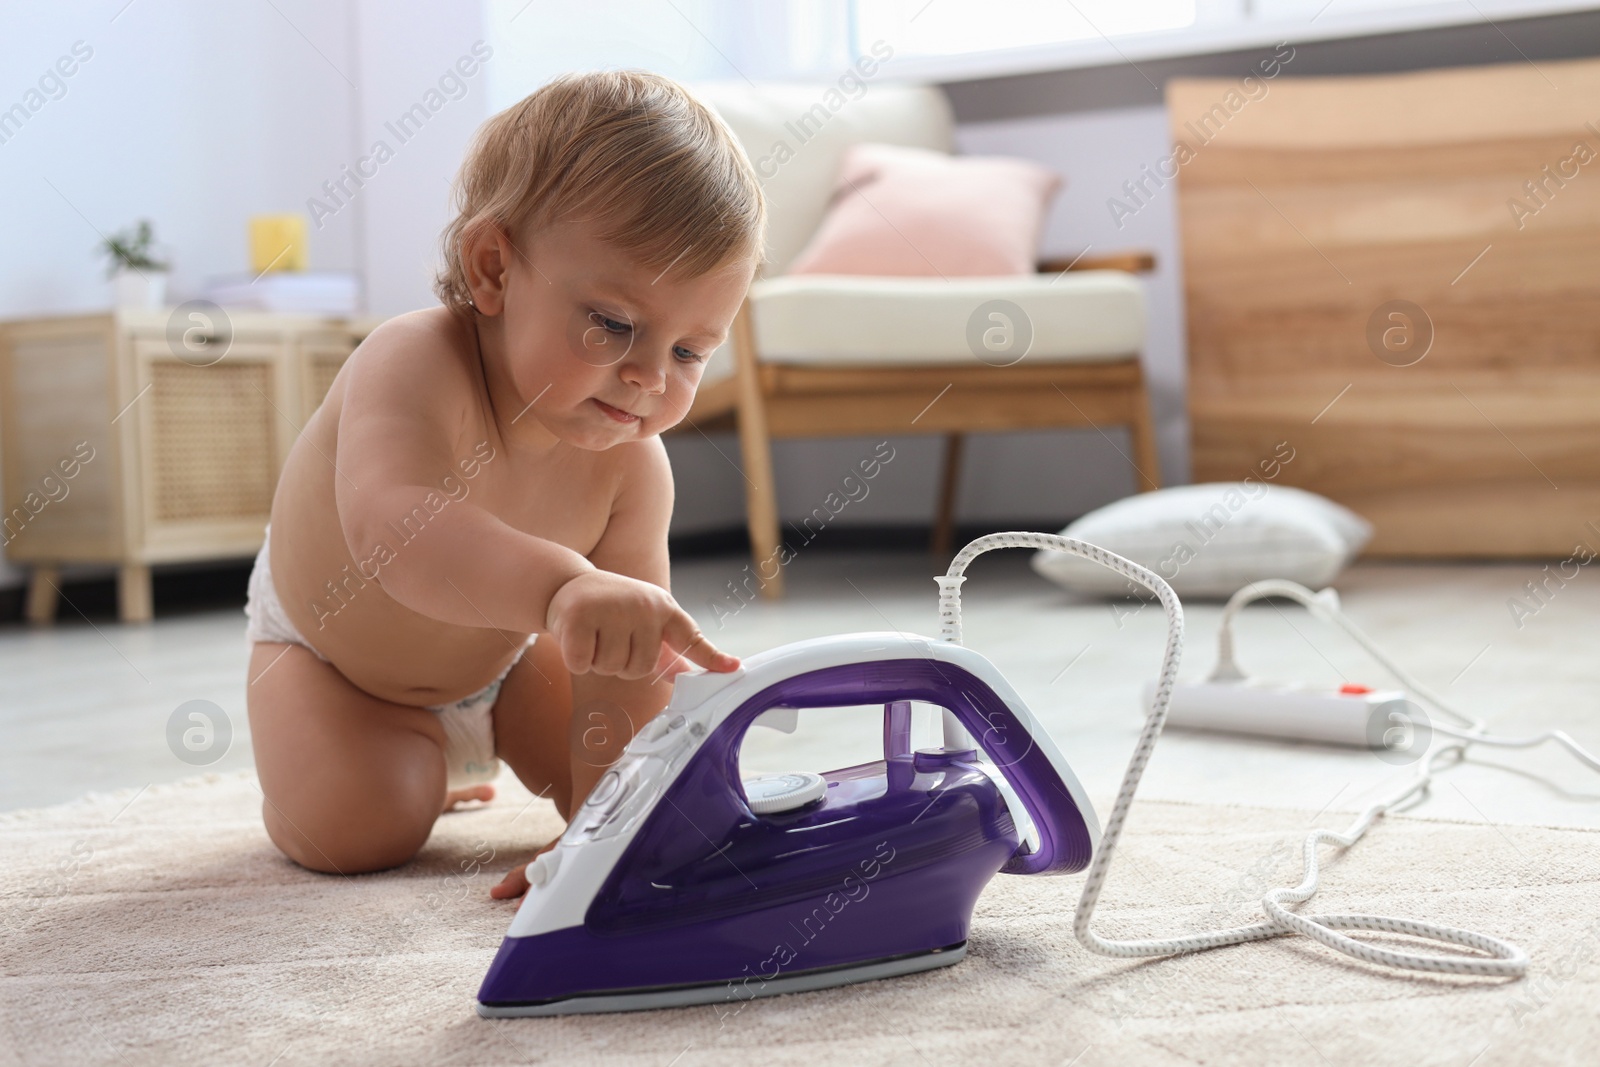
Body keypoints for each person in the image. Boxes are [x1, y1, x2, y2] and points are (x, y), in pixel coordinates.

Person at [243, 70, 763, 899]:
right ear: (492, 268)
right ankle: (353, 769)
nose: (647, 377)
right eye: (614, 324)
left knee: (641, 795)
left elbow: (626, 670)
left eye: (689, 352)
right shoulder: (412, 362)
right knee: (360, 826)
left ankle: (501, 764)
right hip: (333, 662)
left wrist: (603, 843)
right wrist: (564, 587)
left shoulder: (633, 464)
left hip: (511, 661)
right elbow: (396, 531)